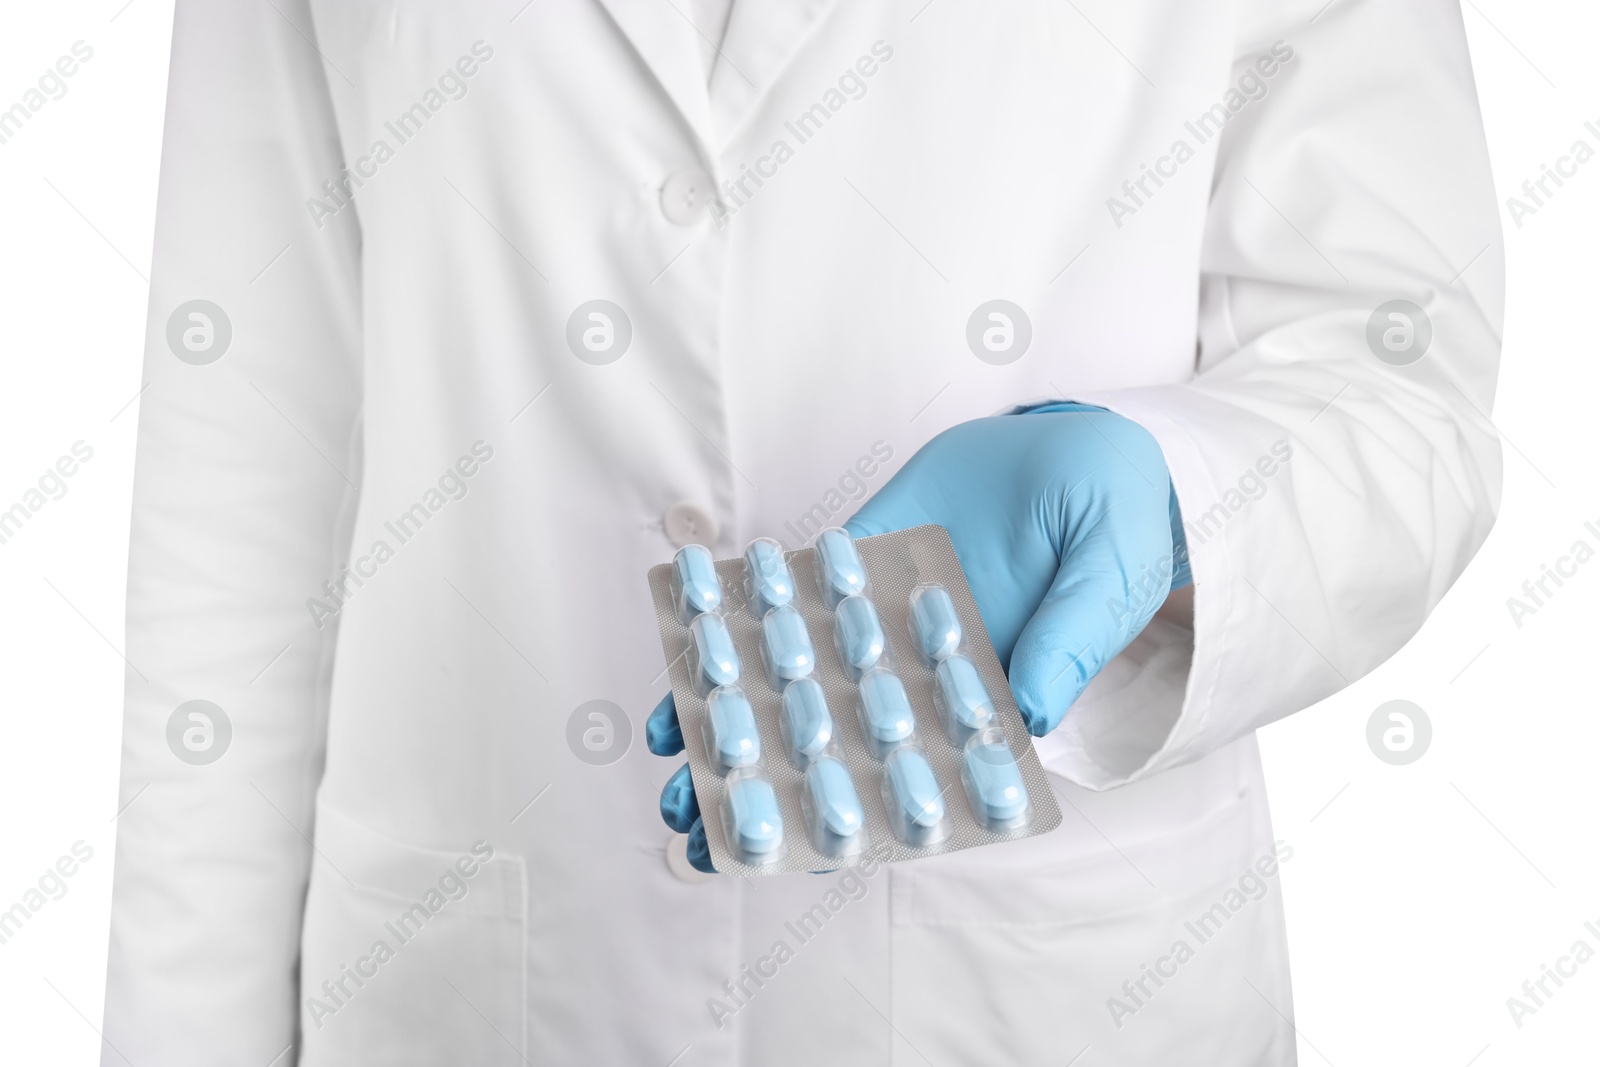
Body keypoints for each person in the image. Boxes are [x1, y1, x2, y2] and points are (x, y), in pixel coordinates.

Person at [103, 0, 1502, 1063]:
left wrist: (1179, 500)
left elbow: (1395, 371)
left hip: (1053, 984)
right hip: (482, 990)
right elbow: (248, 482)